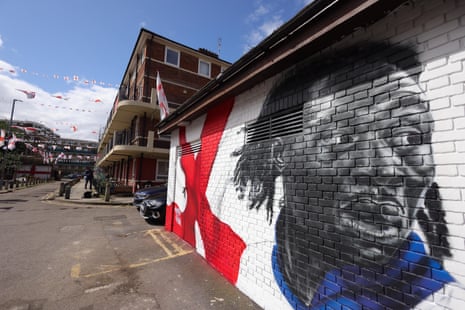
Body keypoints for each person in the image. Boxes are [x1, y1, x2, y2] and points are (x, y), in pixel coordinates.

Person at [233, 42, 461, 309]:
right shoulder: (257, 258)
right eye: (343, 137)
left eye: (409, 136)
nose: (386, 169)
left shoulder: (438, 299)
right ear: (279, 155)